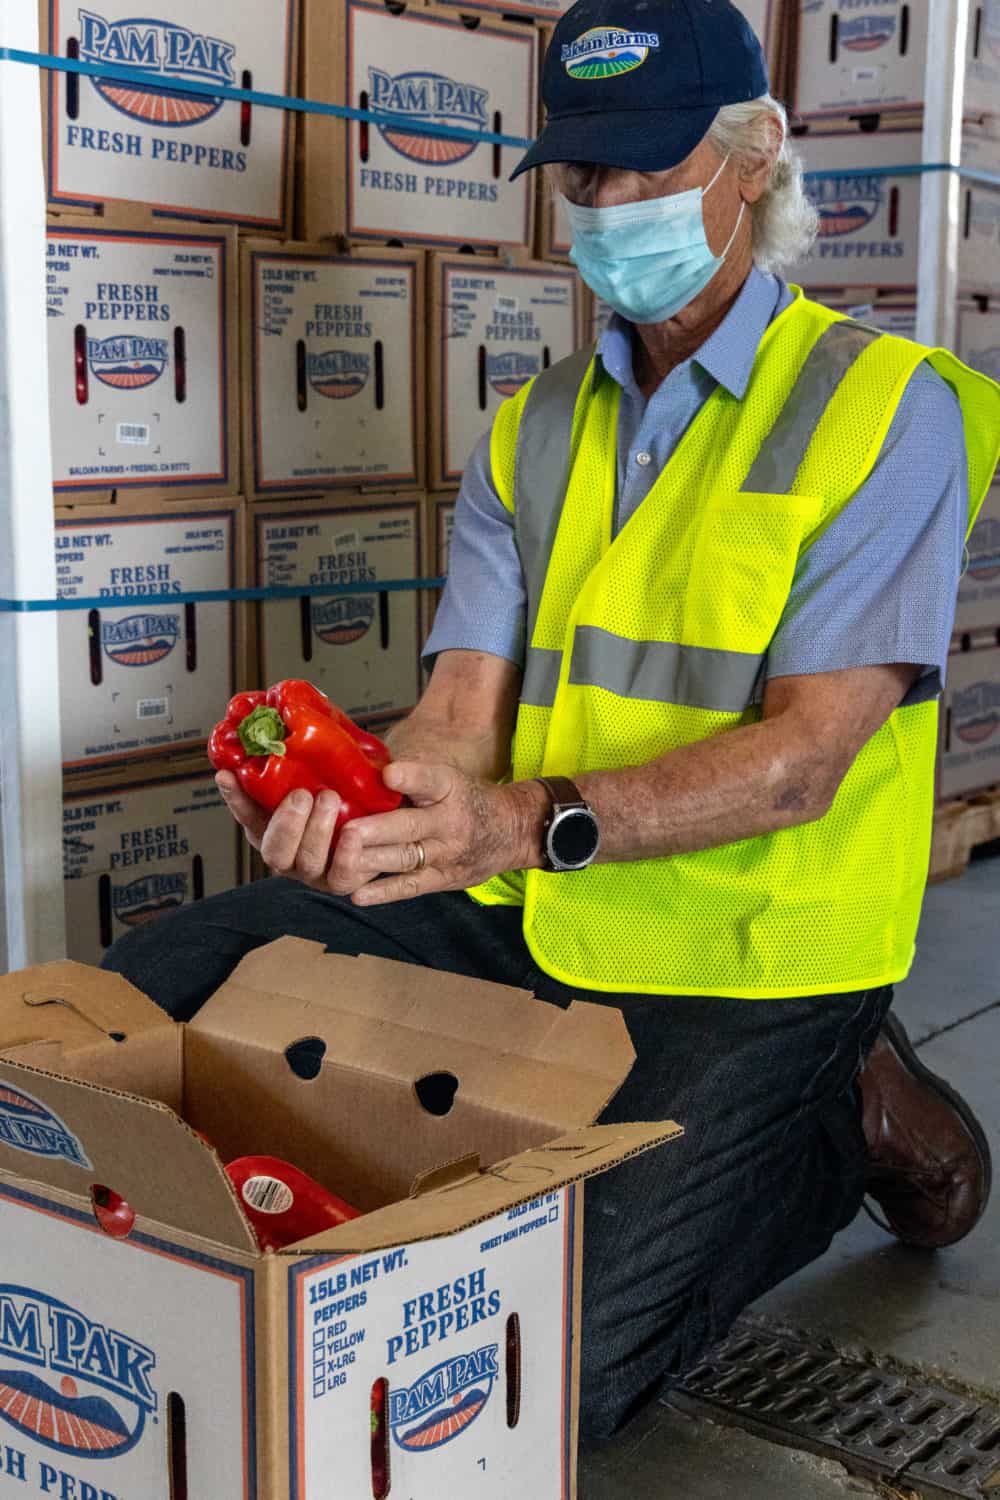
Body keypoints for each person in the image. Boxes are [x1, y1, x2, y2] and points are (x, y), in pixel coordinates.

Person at [102, 0, 1000, 1446]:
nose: (609, 208)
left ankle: (844, 1109)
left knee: (535, 1375)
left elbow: (805, 761)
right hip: (531, 899)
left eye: (649, 169)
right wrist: (365, 808)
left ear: (753, 160)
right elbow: (461, 715)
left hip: (754, 947)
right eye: (585, 178)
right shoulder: (532, 428)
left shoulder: (881, 413)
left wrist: (521, 818)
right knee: (167, 975)